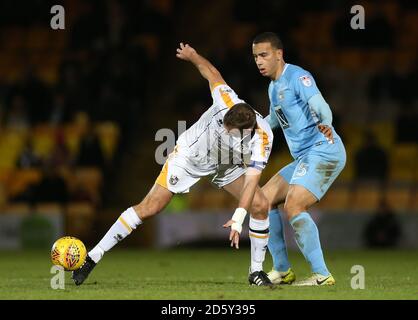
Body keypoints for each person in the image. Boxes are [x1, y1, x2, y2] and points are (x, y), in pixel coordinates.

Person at [72, 43, 274, 286]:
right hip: (190, 156)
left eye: (230, 132)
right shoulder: (226, 102)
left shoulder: (263, 138)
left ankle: (256, 272)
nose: (224, 130)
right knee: (150, 207)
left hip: (227, 164)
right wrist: (193, 56)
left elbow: (252, 180)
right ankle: (93, 257)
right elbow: (212, 73)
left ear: (247, 132)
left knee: (261, 204)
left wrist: (239, 216)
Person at [252, 32, 346, 286]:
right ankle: (282, 270)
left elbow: (320, 104)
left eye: (264, 55)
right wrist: (253, 126)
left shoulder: (298, 77)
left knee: (294, 206)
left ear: (279, 54)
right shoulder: (273, 87)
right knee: (261, 201)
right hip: (305, 156)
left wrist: (326, 121)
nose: (259, 61)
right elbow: (275, 121)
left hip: (323, 149)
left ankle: (322, 275)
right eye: (255, 57)